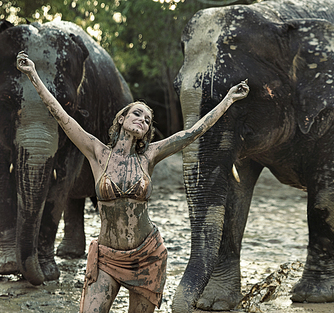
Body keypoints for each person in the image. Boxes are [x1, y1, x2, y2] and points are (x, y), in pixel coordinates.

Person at [16, 51, 249, 313]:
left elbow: (193, 132)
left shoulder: (149, 156)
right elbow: (61, 116)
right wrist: (33, 74)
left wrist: (228, 99)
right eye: (137, 114)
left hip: (146, 256)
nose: (143, 120)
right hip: (107, 257)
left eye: (148, 120)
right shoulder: (97, 152)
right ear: (122, 118)